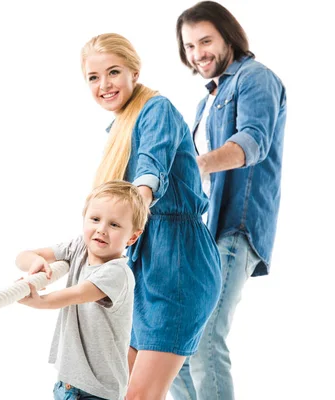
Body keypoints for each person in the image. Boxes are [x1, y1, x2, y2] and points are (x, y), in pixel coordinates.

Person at [80, 33, 221, 400]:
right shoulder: (120, 128)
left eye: (113, 72)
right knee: (116, 388)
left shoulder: (155, 110)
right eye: (93, 77)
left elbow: (150, 170)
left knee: (140, 396)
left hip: (179, 265)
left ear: (134, 71)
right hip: (144, 267)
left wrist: (137, 201)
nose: (104, 85)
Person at [170, 2, 287, 400]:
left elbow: (251, 143)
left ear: (228, 37)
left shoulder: (255, 79)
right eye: (189, 46)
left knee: (203, 340)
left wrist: (195, 165)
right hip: (203, 235)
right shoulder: (206, 102)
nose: (197, 53)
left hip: (234, 226)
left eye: (206, 41)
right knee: (175, 351)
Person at [16, 180, 148, 400]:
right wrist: (35, 261)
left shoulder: (118, 273)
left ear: (132, 237)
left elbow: (77, 294)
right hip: (67, 383)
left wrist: (40, 301)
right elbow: (22, 256)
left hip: (97, 392)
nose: (101, 230)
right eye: (95, 219)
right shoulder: (79, 247)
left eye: (114, 225)